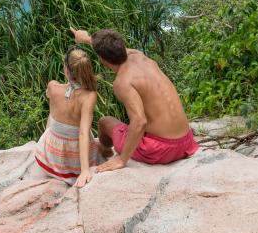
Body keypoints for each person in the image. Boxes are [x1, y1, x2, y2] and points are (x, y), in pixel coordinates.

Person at [70, 27, 198, 170]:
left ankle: (105, 151)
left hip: (162, 150)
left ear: (103, 59)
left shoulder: (122, 82)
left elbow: (140, 121)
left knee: (105, 122)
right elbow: (117, 49)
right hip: (186, 142)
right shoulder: (140, 56)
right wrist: (86, 39)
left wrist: (122, 160)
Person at [33, 46, 104, 188]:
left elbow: (52, 112)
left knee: (52, 119)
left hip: (49, 160)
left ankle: (45, 145)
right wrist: (84, 170)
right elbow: (83, 132)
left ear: (66, 70)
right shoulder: (89, 96)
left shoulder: (52, 87)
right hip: (74, 162)